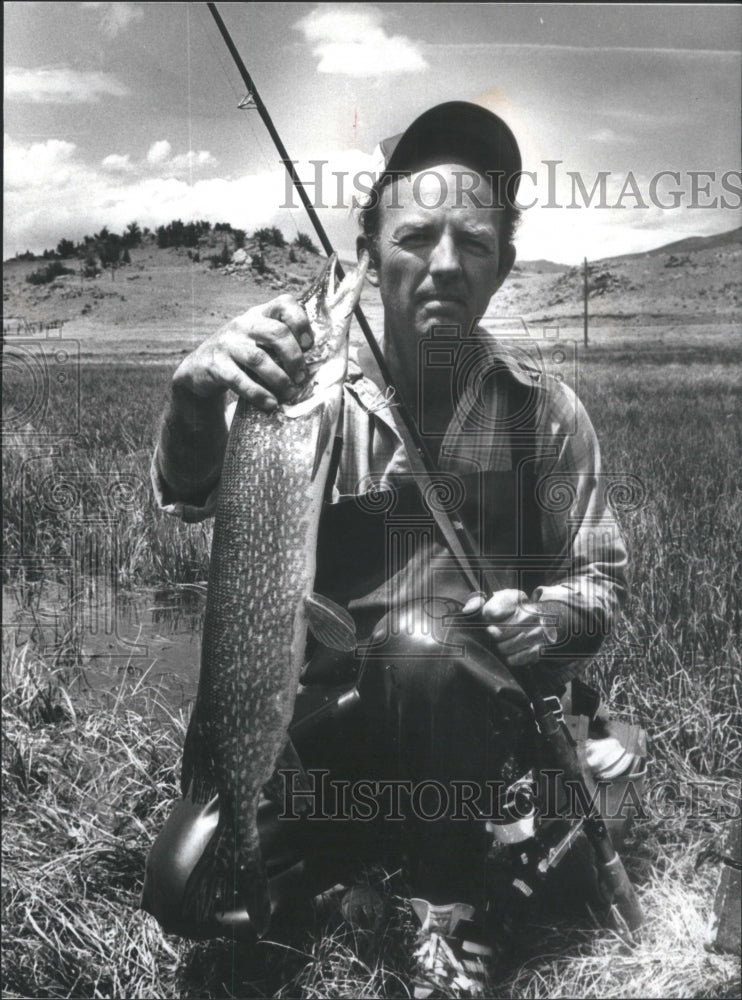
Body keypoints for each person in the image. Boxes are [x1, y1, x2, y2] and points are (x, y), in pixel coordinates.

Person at [143, 102, 640, 996]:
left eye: (473, 243)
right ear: (371, 252)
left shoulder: (546, 414)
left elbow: (600, 584)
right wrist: (189, 398)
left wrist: (547, 619)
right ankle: (370, 851)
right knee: (184, 885)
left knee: (422, 645)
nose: (443, 264)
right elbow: (187, 496)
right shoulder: (305, 403)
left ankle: (448, 908)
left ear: (503, 267)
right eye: (415, 236)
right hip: (341, 727)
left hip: (477, 733)